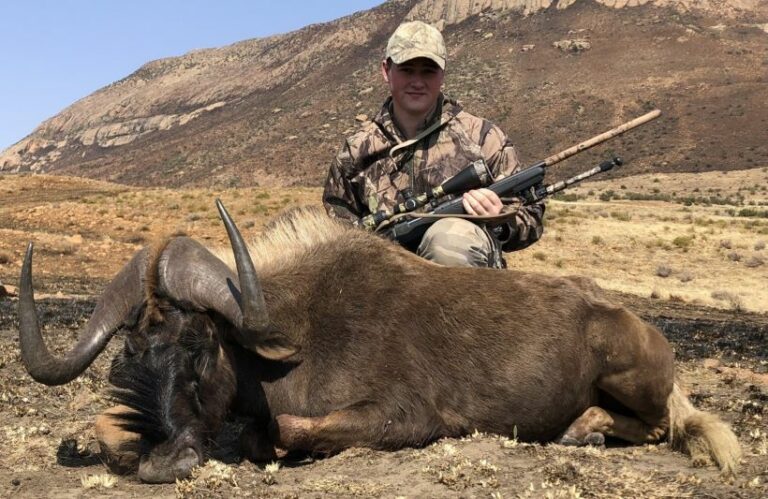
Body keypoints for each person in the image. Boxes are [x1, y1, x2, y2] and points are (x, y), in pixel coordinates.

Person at [322, 21, 544, 268]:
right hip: (382, 285)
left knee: (448, 241)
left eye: (428, 70)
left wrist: (501, 221)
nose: (417, 81)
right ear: (386, 70)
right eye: (407, 69)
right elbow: (337, 237)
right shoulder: (355, 152)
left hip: (464, 291)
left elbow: (531, 219)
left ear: (443, 74)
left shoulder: (483, 138)